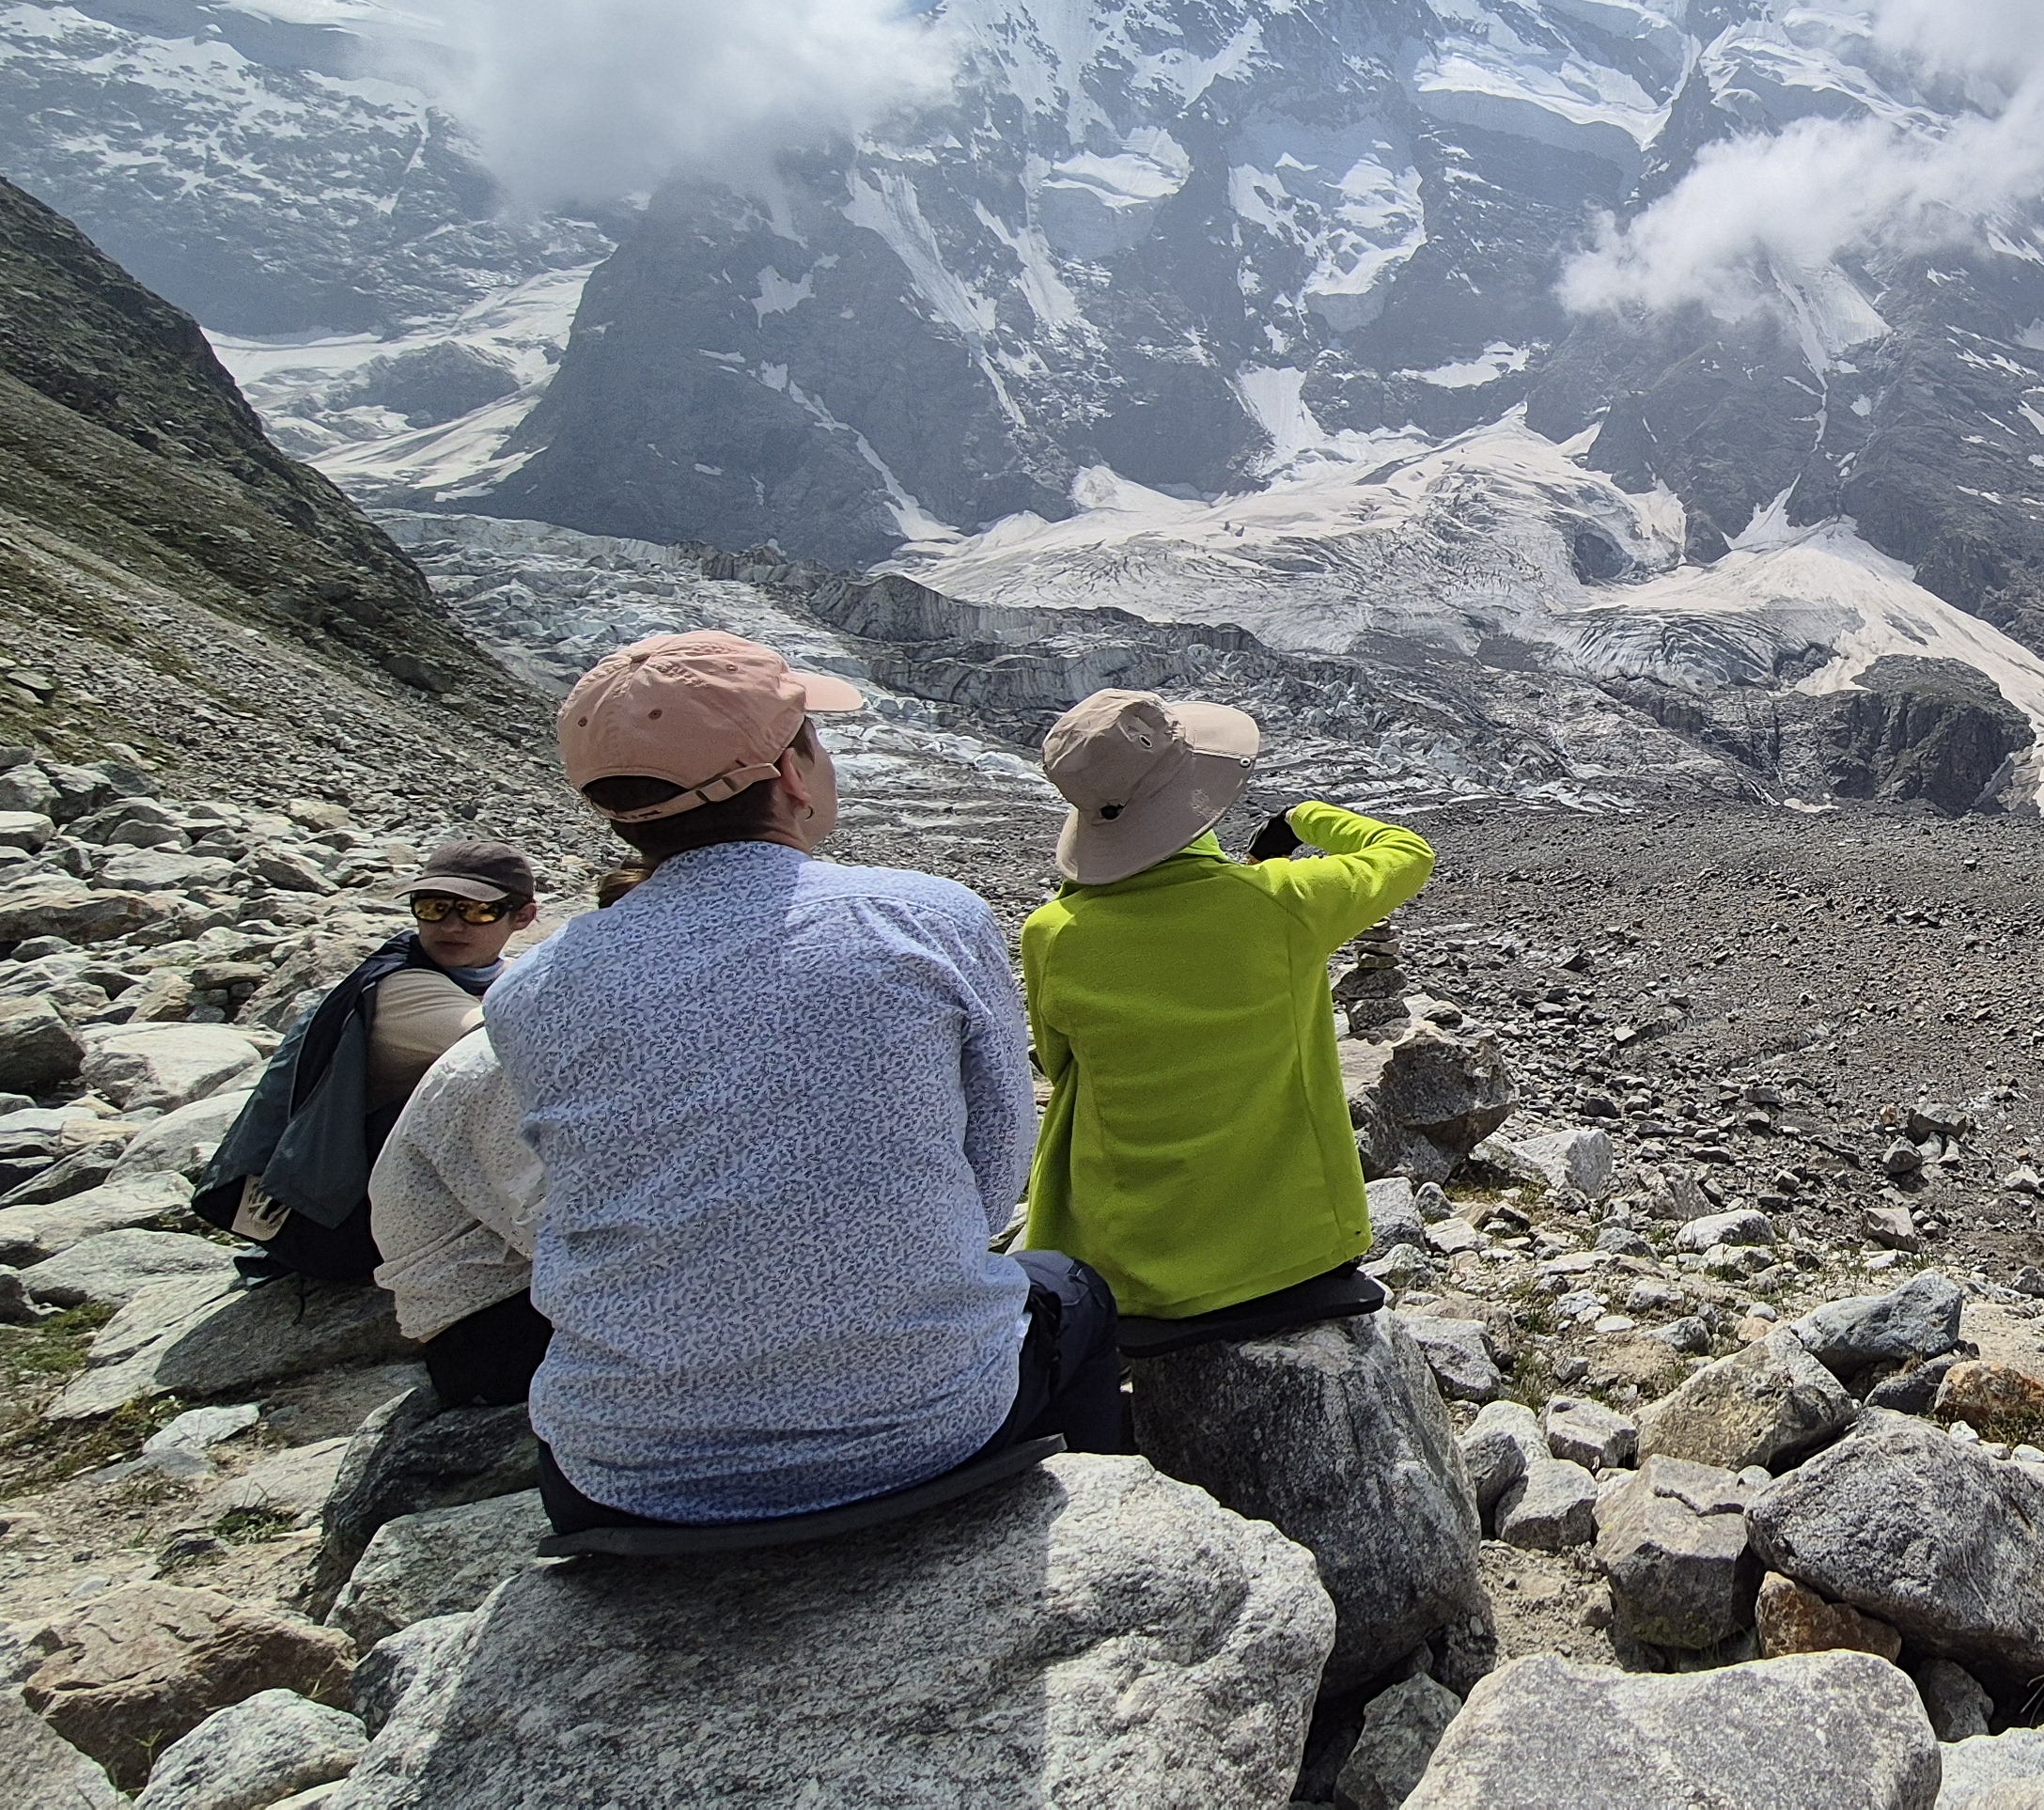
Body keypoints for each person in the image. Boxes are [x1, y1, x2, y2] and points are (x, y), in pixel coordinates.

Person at [482, 630, 1127, 1530]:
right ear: (790, 772)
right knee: (1072, 1289)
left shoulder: (528, 990)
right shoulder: (924, 917)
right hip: (929, 1423)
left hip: (624, 1470)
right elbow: (992, 1170)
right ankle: (1105, 1528)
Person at [1017, 688, 1434, 1327]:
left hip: (1126, 1264)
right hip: (1289, 1250)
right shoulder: (1281, 903)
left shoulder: (1053, 934)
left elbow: (1058, 1062)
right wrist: (1303, 818)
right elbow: (1407, 854)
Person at [195, 837, 538, 1283]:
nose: (451, 925)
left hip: (348, 1200)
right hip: (326, 1224)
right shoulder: (403, 987)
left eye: (476, 910)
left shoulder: (492, 974)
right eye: (433, 907)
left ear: (524, 916)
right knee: (502, 1090)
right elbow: (524, 1048)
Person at [367, 864, 648, 1407]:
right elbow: (553, 1228)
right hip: (484, 1321)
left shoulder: (578, 1027)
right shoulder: (515, 1060)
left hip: (517, 1290)